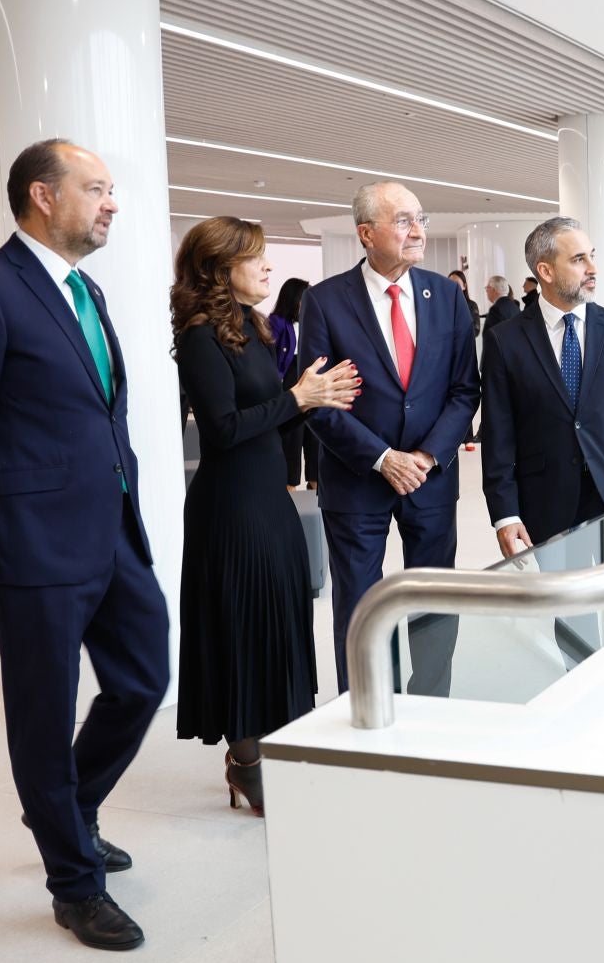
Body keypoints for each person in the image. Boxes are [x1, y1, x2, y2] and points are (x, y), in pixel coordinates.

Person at [0, 138, 169, 950]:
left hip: (112, 530)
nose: (112, 203)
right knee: (42, 712)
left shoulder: (83, 287)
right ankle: (74, 881)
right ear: (41, 195)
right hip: (33, 544)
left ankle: (69, 805)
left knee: (143, 679)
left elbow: (98, 411)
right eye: (95, 188)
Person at [172, 218, 359, 816]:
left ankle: (274, 748)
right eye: (255, 258)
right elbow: (222, 432)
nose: (267, 268)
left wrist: (312, 397)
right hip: (231, 507)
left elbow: (269, 418)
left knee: (279, 621)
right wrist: (298, 397)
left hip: (266, 499)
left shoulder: (251, 328)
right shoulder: (201, 335)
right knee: (245, 631)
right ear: (218, 269)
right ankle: (246, 762)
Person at [298, 181, 480, 696]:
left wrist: (424, 455)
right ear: (366, 233)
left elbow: (466, 390)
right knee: (359, 605)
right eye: (402, 220)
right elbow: (317, 399)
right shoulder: (325, 301)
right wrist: (382, 458)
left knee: (434, 599)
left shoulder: (446, 296)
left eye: (419, 218)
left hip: (431, 477)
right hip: (357, 479)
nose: (417, 229)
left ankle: (431, 706)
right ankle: (366, 710)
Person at [480, 216, 604, 556]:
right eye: (579, 259)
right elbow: (498, 437)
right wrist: (504, 514)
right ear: (546, 271)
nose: (593, 268)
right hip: (546, 502)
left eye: (592, 256)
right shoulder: (504, 341)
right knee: (567, 607)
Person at [270, 277, 320, 491]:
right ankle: (289, 485)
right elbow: (271, 358)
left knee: (315, 437)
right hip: (290, 381)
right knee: (292, 437)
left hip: (310, 379)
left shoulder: (313, 323)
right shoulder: (276, 322)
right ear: (294, 298)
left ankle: (315, 483)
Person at [449, 269, 482, 337]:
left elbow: (475, 330)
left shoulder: (471, 305)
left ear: (464, 286)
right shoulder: (443, 305)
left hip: (464, 345)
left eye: (457, 283)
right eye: (450, 283)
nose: (452, 286)